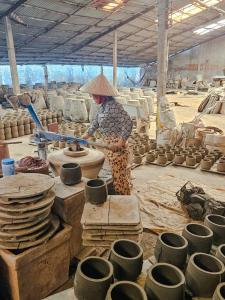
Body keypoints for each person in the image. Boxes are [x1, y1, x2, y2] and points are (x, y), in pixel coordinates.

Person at [81, 74, 133, 195]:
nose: (92, 97)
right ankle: (122, 197)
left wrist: (120, 143)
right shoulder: (103, 107)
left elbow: (128, 123)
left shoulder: (114, 106)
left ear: (102, 95)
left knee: (119, 178)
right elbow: (95, 123)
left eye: (94, 95)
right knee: (116, 176)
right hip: (108, 145)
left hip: (116, 147)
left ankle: (124, 201)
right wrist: (85, 136)